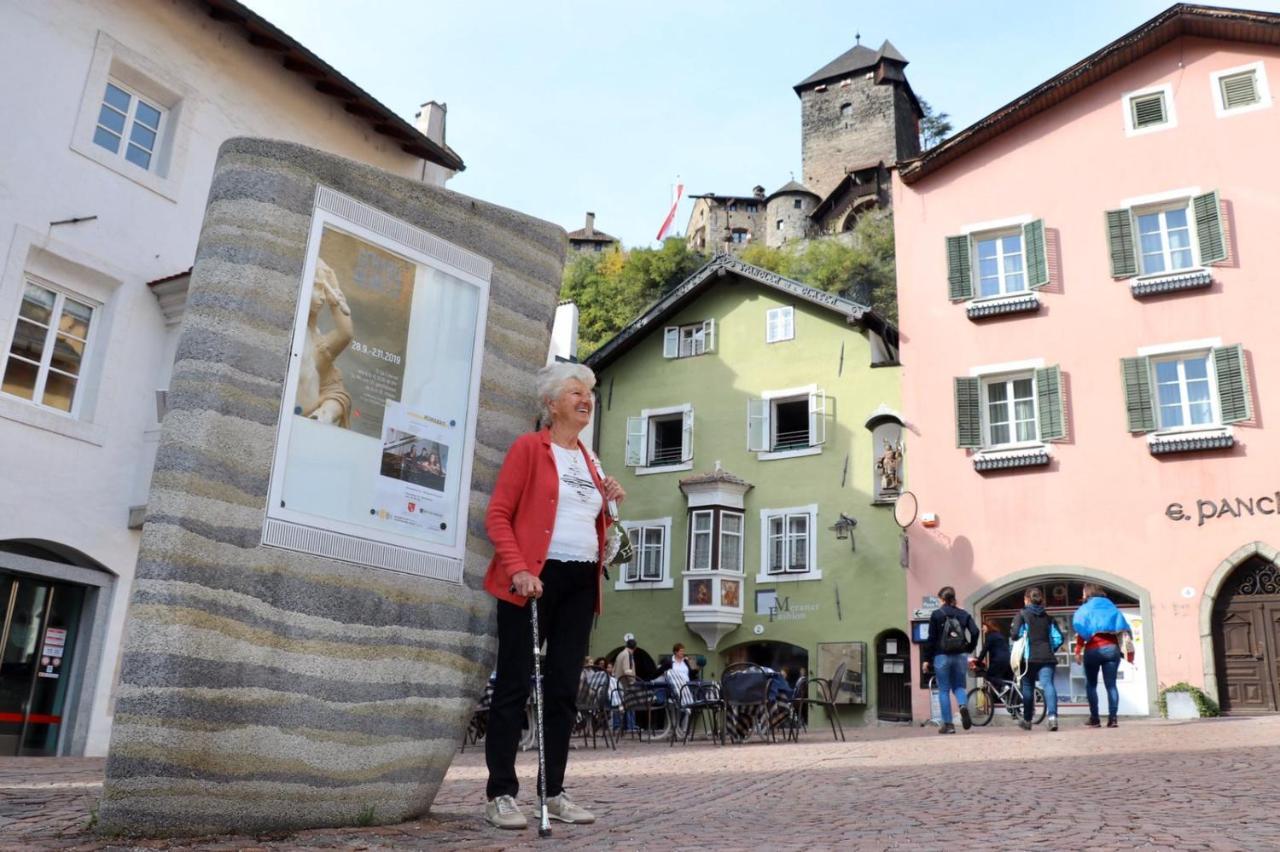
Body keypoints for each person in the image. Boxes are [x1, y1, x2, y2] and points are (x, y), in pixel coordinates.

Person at [482, 362, 625, 830]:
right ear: (550, 403)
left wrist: (610, 502)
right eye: (575, 392)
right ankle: (501, 793)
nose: (587, 399)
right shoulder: (529, 448)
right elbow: (499, 515)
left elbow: (589, 521)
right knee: (514, 686)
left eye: (590, 393)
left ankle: (554, 790)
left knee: (564, 690)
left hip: (582, 581)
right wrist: (518, 569)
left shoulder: (590, 458)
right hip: (534, 580)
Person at [1072, 584, 1133, 728]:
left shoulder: (1085, 609)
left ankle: (1095, 718)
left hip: (1093, 649)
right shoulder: (1112, 607)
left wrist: (1078, 650)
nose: (1082, 595)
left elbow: (1081, 629)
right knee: (1111, 685)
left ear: (1088, 593)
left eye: (1083, 593)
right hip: (1112, 649)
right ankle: (1113, 719)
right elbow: (1123, 628)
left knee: (1091, 685)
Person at [922, 586, 979, 733]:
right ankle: (963, 706)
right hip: (960, 655)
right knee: (959, 686)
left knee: (944, 690)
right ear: (953, 597)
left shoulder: (937, 614)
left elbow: (931, 639)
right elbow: (975, 631)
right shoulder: (963, 614)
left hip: (942, 656)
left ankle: (948, 725)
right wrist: (969, 647)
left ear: (942, 599)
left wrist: (926, 659)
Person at [1009, 587, 1064, 732]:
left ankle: (1027, 720)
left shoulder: (1021, 615)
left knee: (1027, 688)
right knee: (1048, 686)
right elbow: (1059, 638)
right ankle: (1052, 718)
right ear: (1041, 600)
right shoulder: (1048, 618)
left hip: (1028, 659)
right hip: (1047, 657)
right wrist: (1051, 649)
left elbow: (1015, 635)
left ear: (1026, 599)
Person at [975, 618, 1013, 687]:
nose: (982, 628)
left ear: (989, 626)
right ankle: (1002, 695)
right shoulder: (1000, 635)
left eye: (984, 626)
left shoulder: (990, 637)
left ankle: (1004, 686)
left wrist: (977, 663)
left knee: (989, 676)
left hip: (998, 660)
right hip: (1007, 660)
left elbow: (984, 651)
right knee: (999, 679)